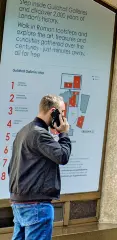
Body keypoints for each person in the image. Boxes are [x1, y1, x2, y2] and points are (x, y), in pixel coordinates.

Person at [8, 95, 72, 240]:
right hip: (36, 205)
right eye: (62, 114)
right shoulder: (39, 134)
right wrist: (63, 133)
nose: (63, 119)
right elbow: (63, 156)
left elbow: (11, 166)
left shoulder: (24, 131)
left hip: (20, 203)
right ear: (53, 111)